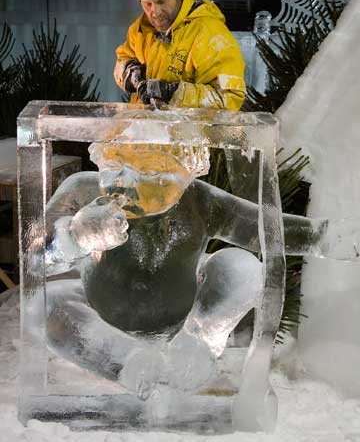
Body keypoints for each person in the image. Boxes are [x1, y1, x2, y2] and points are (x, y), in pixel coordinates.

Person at [39, 141, 360, 405]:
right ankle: (126, 362)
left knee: (242, 267)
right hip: (102, 315)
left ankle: (198, 343)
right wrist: (75, 235)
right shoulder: (83, 190)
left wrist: (321, 236)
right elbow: (37, 255)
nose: (134, 184)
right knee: (46, 306)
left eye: (155, 173)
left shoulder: (199, 199)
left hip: (182, 317)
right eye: (122, 169)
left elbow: (260, 227)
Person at [114, 0, 246, 110]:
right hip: (144, 129)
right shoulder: (140, 29)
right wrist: (132, 75)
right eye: (147, 4)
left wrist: (174, 93)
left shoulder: (210, 34)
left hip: (188, 134)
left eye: (162, 1)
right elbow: (123, 59)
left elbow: (230, 99)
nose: (155, 12)